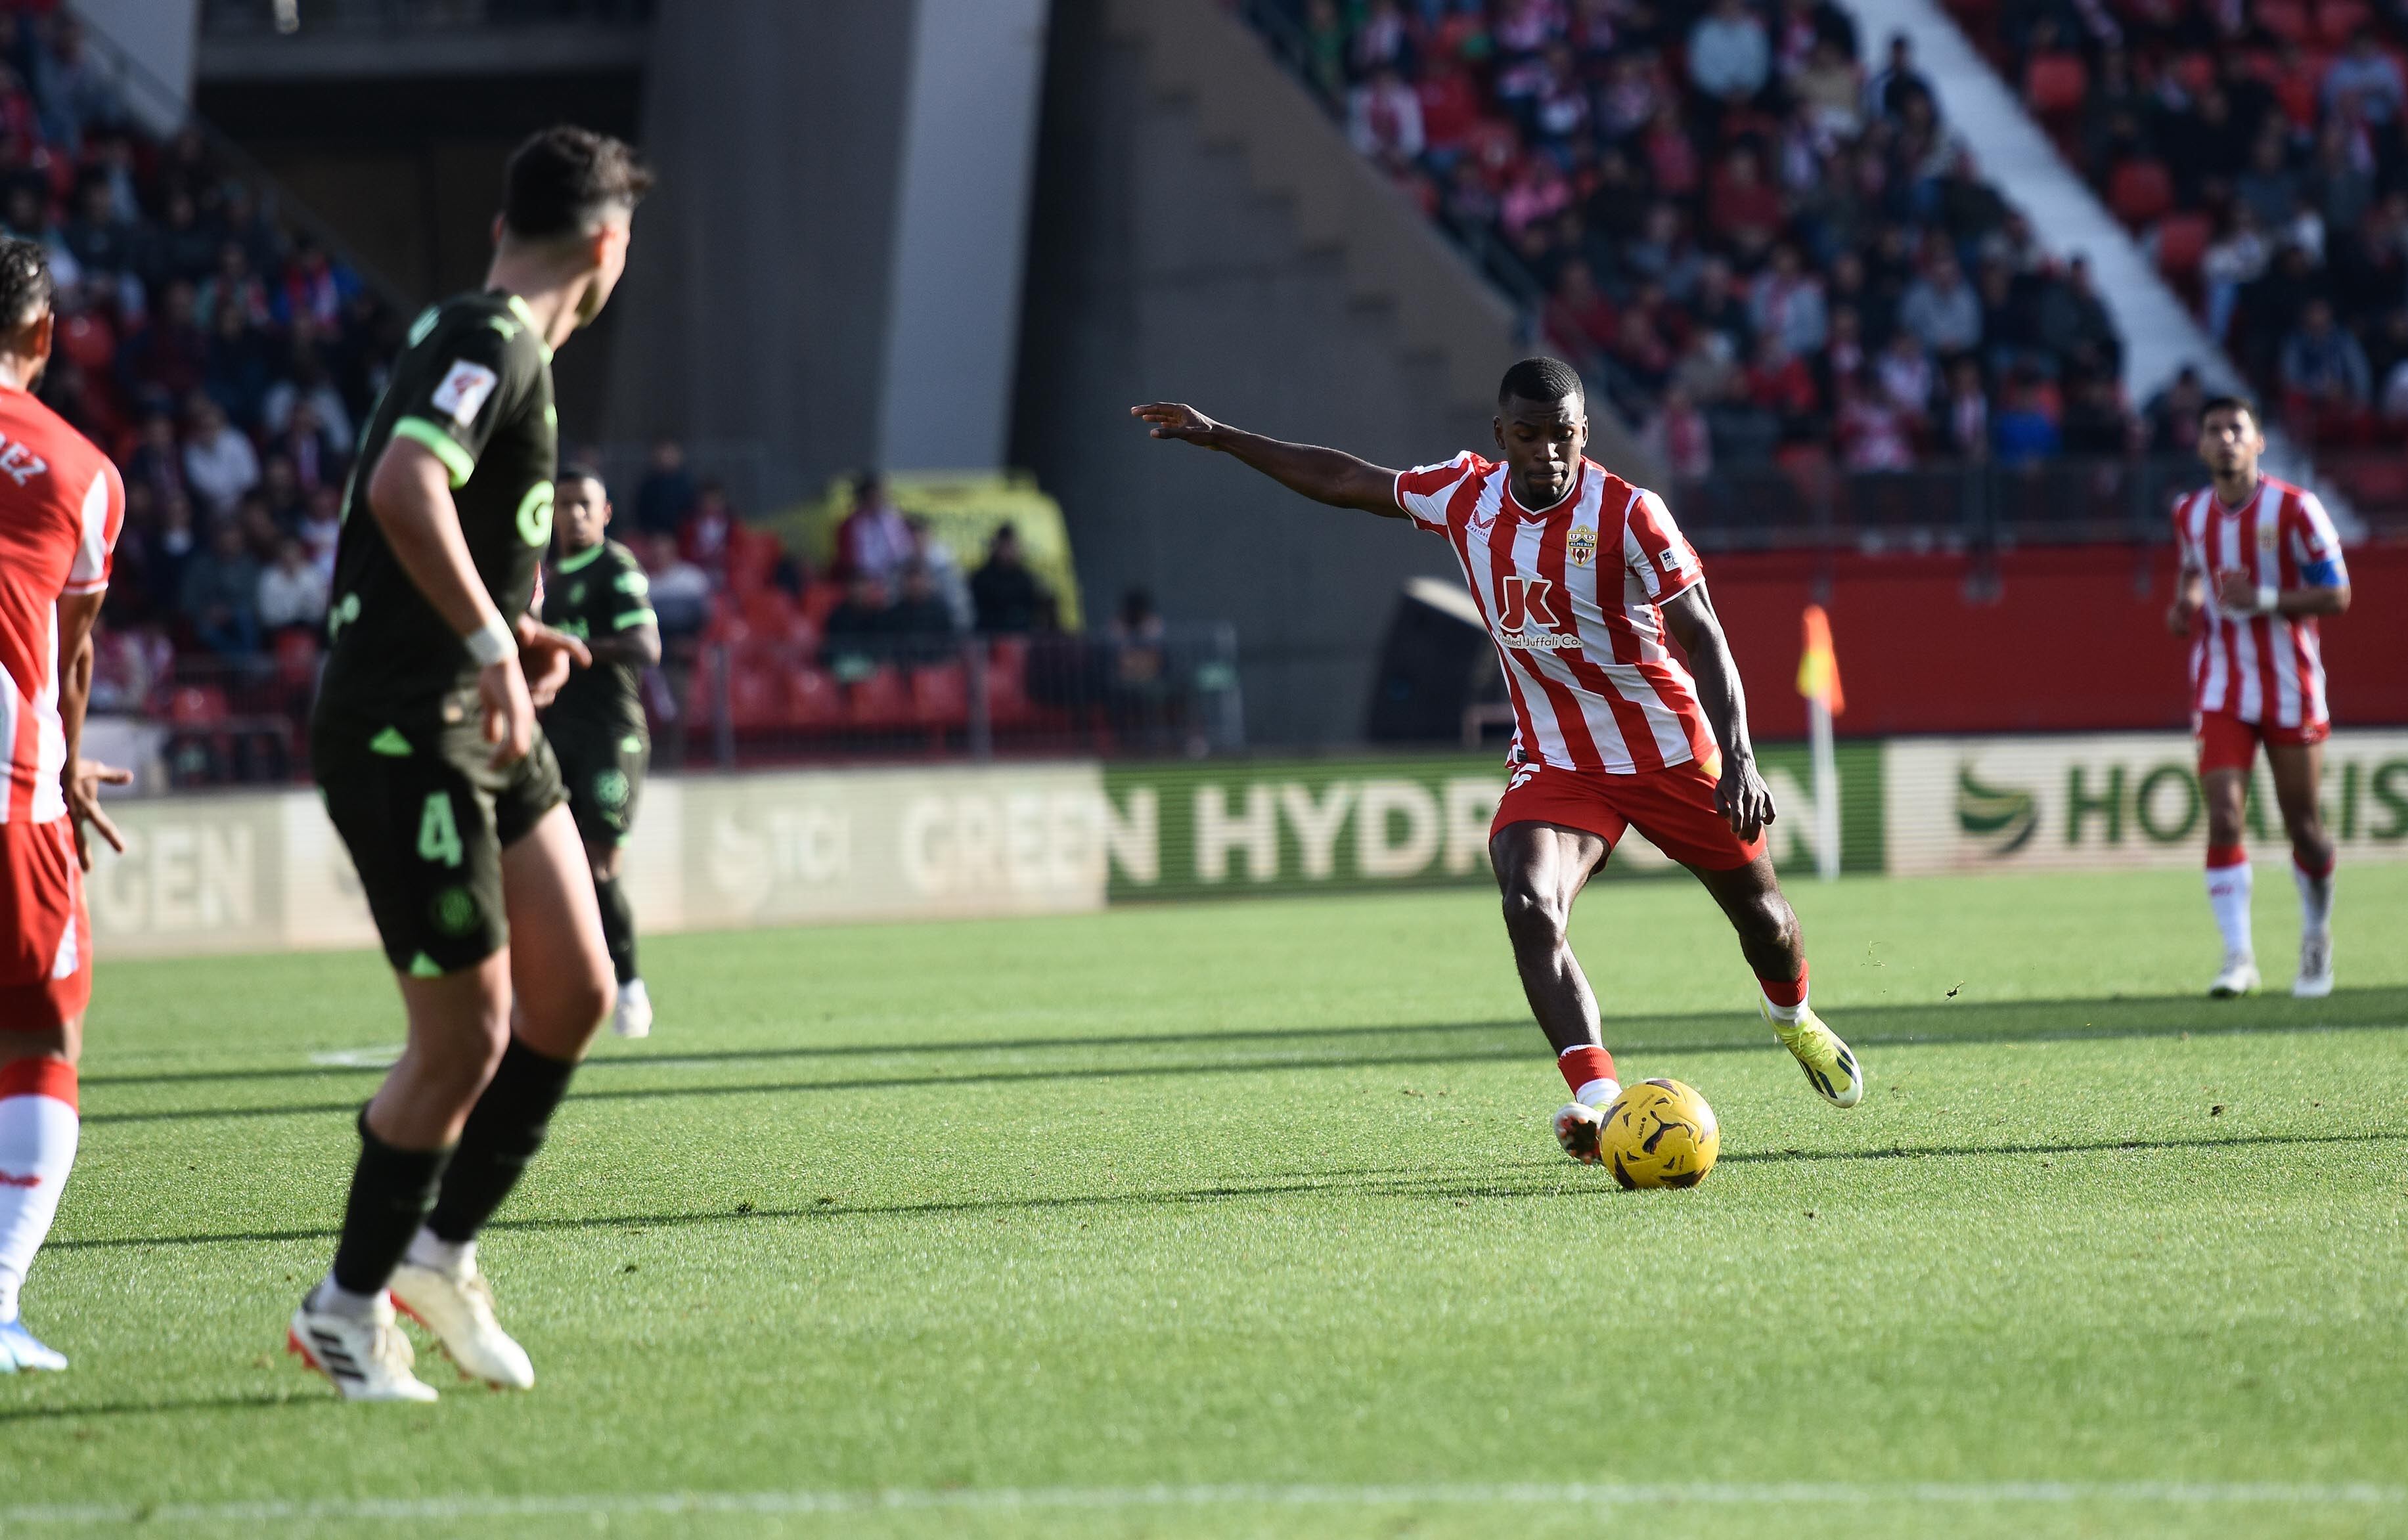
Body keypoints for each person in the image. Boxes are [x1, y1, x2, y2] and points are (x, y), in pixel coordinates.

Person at [1130, 357, 1865, 1166]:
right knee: (1527, 900)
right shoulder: (1466, 495)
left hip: (1668, 749)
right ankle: (1598, 1099)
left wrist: (1740, 760)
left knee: (1765, 920)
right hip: (1557, 759)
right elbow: (1344, 478)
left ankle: (1793, 1020)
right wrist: (1222, 436)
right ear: (1500, 435)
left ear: (1585, 432)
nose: (1549, 451)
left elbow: (1706, 636)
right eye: (1530, 434)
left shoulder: (1630, 513)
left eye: (1566, 435)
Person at [292, 126, 650, 1401]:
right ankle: (345, 1303)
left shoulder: (505, 346)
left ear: (509, 219)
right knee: (466, 1037)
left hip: (472, 709)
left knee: (577, 989)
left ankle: (439, 1253)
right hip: (406, 726)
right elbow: (404, 485)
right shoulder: (494, 334)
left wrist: (508, 627)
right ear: (607, 245)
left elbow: (435, 521)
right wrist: (492, 635)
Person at [0, 235, 129, 1375]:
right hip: (10, 797)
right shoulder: (81, 470)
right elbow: (68, 659)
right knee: (45, 1031)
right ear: (43, 338)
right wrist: (69, 761)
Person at [2166, 396, 2350, 1000]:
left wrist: (2265, 599)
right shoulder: (2190, 513)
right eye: (2213, 429)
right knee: (2223, 816)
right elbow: (2196, 569)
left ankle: (2317, 935)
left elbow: (2338, 594)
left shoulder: (2296, 508)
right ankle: (2238, 957)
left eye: (2236, 429)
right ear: (2200, 445)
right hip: (2220, 683)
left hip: (2290, 683)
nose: (2225, 439)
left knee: (2305, 825)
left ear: (2258, 441)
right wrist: (2187, 602)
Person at [539, 469, 661, 1041]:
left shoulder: (616, 567)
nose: (575, 515)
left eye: (585, 505)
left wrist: (575, 647)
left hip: (611, 734)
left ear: (605, 511)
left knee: (596, 865)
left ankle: (630, 985)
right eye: (564, 505)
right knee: (542, 869)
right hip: (552, 732)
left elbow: (647, 646)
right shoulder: (539, 576)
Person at [970, 523, 1053, 634]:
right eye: (1006, 546)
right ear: (996, 547)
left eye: (1012, 546)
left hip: (1023, 635)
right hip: (992, 635)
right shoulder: (981, 579)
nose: (1010, 552)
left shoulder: (1026, 578)